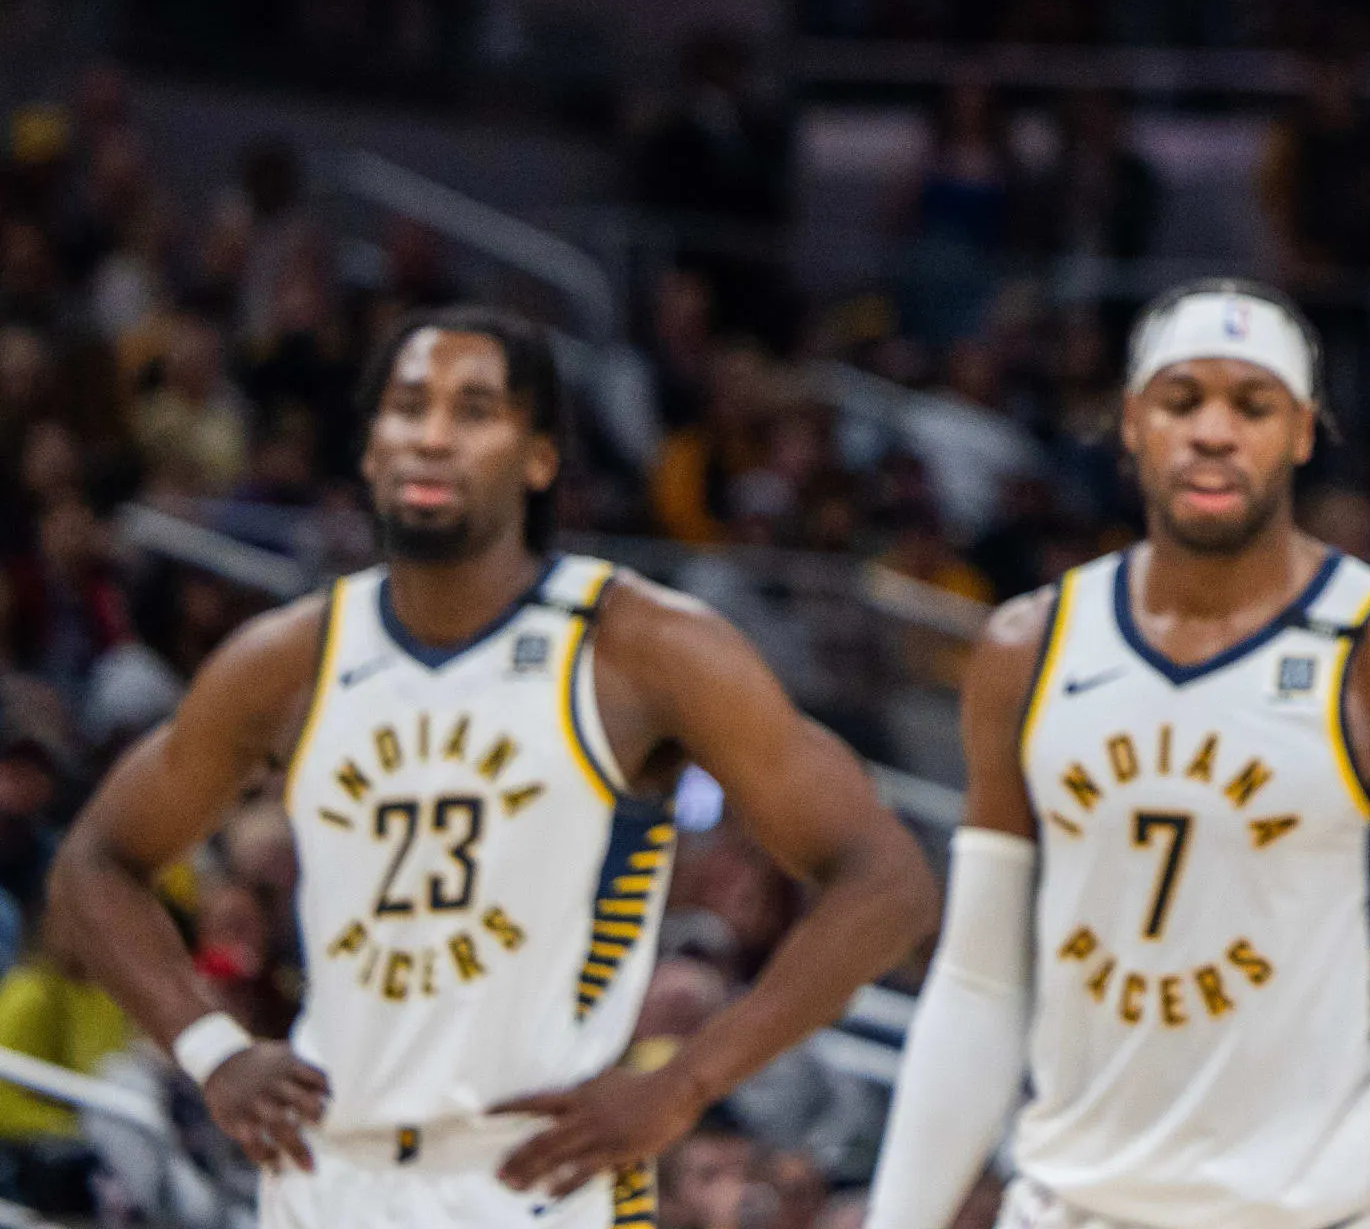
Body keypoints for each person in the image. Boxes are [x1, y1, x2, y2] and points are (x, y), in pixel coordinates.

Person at [47, 307, 939, 1229]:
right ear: (368, 448)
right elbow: (94, 863)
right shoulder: (288, 661)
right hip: (328, 1173)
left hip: (536, 1178)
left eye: (474, 411)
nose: (431, 436)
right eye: (406, 408)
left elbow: (890, 882)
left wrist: (683, 1085)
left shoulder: (639, 648)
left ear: (540, 456)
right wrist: (213, 1053)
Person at [859, 279, 1370, 1229]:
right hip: (1066, 1205)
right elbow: (976, 981)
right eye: (1183, 400)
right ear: (1132, 423)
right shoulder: (1028, 649)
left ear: (1302, 432)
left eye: (1252, 405)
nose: (1214, 431)